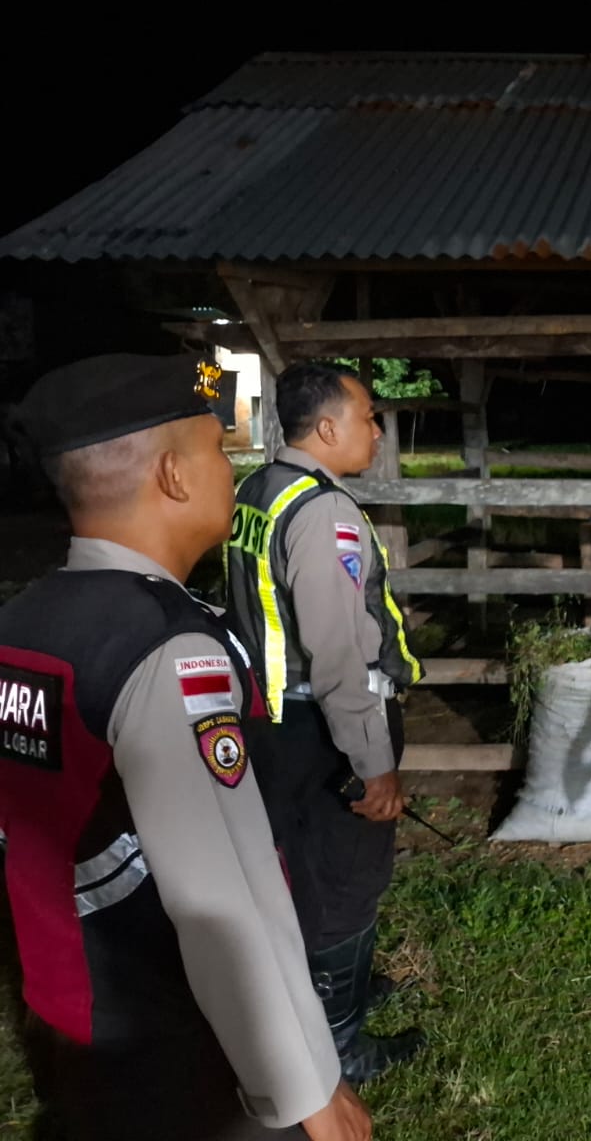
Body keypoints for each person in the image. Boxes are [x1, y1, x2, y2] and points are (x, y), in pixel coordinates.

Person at [0, 353, 370, 1141]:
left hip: (68, 1005)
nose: (231, 471)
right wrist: (304, 1089)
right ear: (172, 476)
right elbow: (222, 899)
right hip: (179, 1035)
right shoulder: (167, 648)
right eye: (215, 451)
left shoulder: (24, 621)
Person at [225, 362, 424, 1083]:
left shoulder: (259, 491)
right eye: (368, 417)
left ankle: (337, 988)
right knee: (345, 880)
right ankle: (339, 1047)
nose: (377, 431)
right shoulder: (323, 513)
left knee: (302, 868)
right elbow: (338, 653)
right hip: (326, 728)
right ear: (329, 427)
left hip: (276, 719)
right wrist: (374, 763)